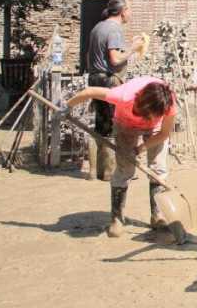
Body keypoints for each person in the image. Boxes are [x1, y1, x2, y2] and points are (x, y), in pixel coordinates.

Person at [62, 77, 176, 237]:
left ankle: (157, 216)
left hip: (156, 130)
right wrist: (67, 107)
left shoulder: (168, 104)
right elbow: (90, 91)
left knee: (158, 169)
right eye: (147, 114)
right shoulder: (124, 96)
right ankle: (117, 218)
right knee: (124, 170)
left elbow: (164, 133)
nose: (147, 119)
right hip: (126, 125)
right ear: (140, 103)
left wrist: (139, 149)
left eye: (152, 116)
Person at [85, 0, 148, 180]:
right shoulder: (114, 29)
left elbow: (90, 55)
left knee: (100, 124)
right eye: (130, 9)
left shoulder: (98, 27)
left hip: (95, 78)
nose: (131, 13)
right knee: (118, 124)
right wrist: (134, 48)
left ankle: (97, 171)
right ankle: (115, 171)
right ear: (122, 11)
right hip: (110, 80)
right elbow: (115, 59)